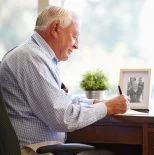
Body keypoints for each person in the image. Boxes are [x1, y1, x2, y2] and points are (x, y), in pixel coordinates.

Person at [0, 6, 129, 155]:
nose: (77, 45)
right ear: (55, 28)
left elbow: (61, 100)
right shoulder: (31, 58)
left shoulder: (36, 55)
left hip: (42, 148)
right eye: (74, 36)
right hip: (34, 150)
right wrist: (107, 107)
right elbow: (63, 117)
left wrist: (94, 103)